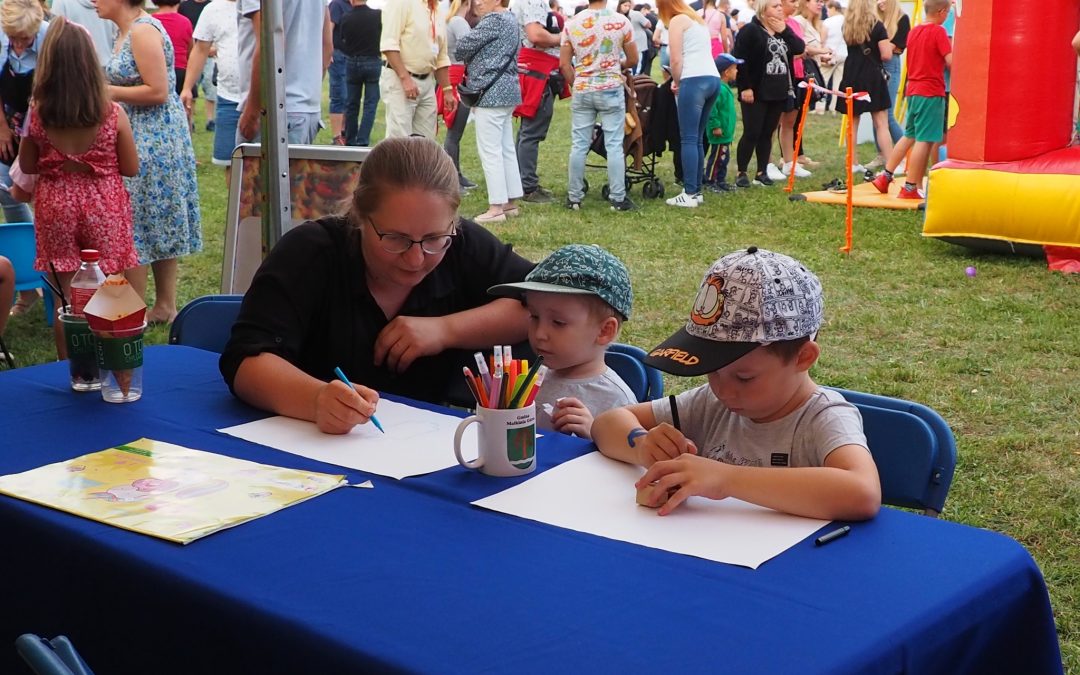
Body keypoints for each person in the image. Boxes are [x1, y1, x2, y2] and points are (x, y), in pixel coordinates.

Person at [220, 136, 534, 433]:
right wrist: (315, 399)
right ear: (359, 213)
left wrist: (445, 330)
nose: (415, 259)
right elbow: (245, 363)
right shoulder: (310, 253)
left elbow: (542, 304)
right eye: (395, 239)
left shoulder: (463, 246)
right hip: (308, 448)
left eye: (434, 239)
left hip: (422, 449)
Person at [592, 246, 881, 521]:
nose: (723, 389)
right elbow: (606, 423)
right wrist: (642, 445)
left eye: (745, 377)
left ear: (803, 358)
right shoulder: (710, 403)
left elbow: (862, 492)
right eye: (713, 370)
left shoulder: (823, 417)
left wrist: (725, 478)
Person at [18, 18, 140, 357]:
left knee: (66, 296)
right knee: (111, 289)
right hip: (104, 203)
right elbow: (130, 167)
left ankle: (70, 369)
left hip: (56, 203)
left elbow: (27, 165)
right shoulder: (112, 113)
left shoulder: (39, 113)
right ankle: (113, 364)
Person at [101, 0, 202, 325]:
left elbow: (158, 90)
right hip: (142, 134)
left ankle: (139, 309)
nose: (93, 1)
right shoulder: (126, 30)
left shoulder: (143, 31)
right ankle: (162, 306)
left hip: (152, 138)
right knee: (149, 220)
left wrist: (107, 91)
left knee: (138, 221)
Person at [488, 244, 636, 439]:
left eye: (558, 322)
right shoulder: (531, 380)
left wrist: (595, 435)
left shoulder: (617, 400)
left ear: (604, 331)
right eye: (534, 316)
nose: (540, 333)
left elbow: (633, 462)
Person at [560, 0, 638, 211]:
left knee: (579, 144)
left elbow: (564, 64)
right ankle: (618, 198)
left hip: (583, 88)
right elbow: (633, 58)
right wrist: (617, 65)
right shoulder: (621, 22)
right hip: (611, 87)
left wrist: (575, 82)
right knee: (614, 144)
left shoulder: (572, 23)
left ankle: (574, 197)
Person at [869, 0, 951, 201]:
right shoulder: (938, 32)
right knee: (925, 140)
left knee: (909, 135)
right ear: (942, 12)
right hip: (930, 92)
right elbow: (950, 61)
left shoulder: (914, 31)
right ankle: (910, 186)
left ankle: (885, 177)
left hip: (913, 89)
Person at [455, 0, 523, 224]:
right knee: (505, 149)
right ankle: (510, 202)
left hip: (490, 92)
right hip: (508, 90)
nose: (478, 2)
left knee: (490, 151)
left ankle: (496, 208)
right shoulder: (511, 19)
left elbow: (462, 47)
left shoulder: (493, 20)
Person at [0, 0, 48, 316]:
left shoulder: (51, 36)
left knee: (46, 205)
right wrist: (2, 128)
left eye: (24, 39)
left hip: (44, 127)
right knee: (9, 197)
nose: (18, 45)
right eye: (12, 38)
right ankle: (26, 288)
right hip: (10, 127)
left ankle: (52, 283)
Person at [236, 0, 331, 145]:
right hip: (307, 111)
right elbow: (327, 46)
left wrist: (253, 112)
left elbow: (270, 43)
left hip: (273, 110)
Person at [730, 0, 802, 188]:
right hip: (755, 90)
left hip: (778, 90)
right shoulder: (750, 31)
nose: (780, 8)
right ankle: (742, 172)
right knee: (752, 132)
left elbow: (799, 48)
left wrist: (785, 30)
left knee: (767, 132)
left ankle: (762, 171)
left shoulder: (782, 31)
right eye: (774, 6)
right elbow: (740, 60)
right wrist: (745, 87)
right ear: (763, 10)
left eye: (780, 5)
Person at [660, 0, 721, 208]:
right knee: (697, 138)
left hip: (693, 80)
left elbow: (675, 60)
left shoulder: (677, 21)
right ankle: (696, 190)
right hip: (712, 78)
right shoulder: (697, 20)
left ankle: (689, 192)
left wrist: (676, 82)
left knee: (688, 138)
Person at [379, 0, 456, 139]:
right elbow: (389, 45)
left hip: (427, 81)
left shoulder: (437, 10)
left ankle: (421, 162)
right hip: (400, 79)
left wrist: (447, 89)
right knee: (400, 140)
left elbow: (441, 56)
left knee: (426, 142)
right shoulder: (401, 3)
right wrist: (405, 79)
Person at [180, 0, 239, 181]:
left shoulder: (265, 7)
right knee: (232, 163)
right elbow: (200, 49)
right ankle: (238, 208)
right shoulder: (213, 9)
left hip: (265, 98)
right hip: (228, 97)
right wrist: (187, 88)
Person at [515, 0, 563, 204]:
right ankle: (527, 186)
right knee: (531, 132)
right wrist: (561, 37)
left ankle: (522, 182)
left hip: (535, 69)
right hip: (537, 71)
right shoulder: (532, 1)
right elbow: (536, 35)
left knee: (528, 131)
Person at [837, 0, 893, 172]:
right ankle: (891, 163)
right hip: (872, 76)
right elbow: (886, 55)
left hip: (851, 73)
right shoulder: (877, 26)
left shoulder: (847, 25)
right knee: (881, 122)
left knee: (852, 122)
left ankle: (852, 163)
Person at [767, 0, 809, 181]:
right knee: (771, 123)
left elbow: (800, 46)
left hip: (796, 75)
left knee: (790, 120)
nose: (797, 4)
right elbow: (789, 50)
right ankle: (767, 163)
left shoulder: (794, 23)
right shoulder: (770, 23)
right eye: (792, 1)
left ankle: (789, 162)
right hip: (778, 76)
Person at [339, 0, 382, 147]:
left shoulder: (346, 17)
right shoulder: (377, 16)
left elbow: (341, 41)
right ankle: (362, 140)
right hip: (372, 61)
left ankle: (350, 140)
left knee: (352, 104)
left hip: (352, 61)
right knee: (370, 104)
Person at [442, 0, 474, 190]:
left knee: (454, 132)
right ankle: (453, 178)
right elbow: (469, 49)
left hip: (452, 77)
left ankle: (457, 174)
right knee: (454, 133)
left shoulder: (448, 21)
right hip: (459, 79)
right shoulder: (459, 22)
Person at [872, 0, 909, 159]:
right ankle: (881, 154)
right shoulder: (876, 20)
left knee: (886, 113)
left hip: (890, 65)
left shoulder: (902, 19)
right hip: (876, 65)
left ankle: (905, 155)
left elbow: (892, 49)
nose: (880, 2)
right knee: (876, 111)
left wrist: (880, 47)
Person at [703, 53, 739, 191]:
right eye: (735, 68)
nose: (737, 71)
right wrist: (715, 126)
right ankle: (711, 181)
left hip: (725, 134)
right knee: (717, 158)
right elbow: (712, 110)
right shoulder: (718, 89)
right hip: (719, 133)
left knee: (723, 158)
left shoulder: (724, 87)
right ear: (726, 72)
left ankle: (720, 180)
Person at [178, 0, 215, 129]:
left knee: (210, 87)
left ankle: (210, 120)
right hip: (191, 52)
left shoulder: (211, 6)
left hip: (211, 53)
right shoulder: (184, 6)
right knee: (192, 87)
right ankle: (191, 120)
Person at [149, 0, 193, 100]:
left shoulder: (150, 21)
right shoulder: (185, 22)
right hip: (180, 69)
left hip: (157, 71)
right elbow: (191, 49)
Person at [51, 0, 118, 64]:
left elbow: (55, 38)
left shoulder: (60, 2)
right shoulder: (111, 3)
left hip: (75, 68)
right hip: (108, 64)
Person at [327, 0, 353, 144]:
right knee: (339, 95)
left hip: (351, 57)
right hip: (338, 55)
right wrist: (328, 52)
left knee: (349, 97)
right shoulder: (337, 4)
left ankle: (345, 132)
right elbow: (329, 27)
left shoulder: (353, 6)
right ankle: (337, 136)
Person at [818, 0, 846, 113]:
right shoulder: (846, 20)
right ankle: (834, 107)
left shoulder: (828, 21)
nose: (827, 12)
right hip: (844, 54)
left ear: (834, 8)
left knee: (822, 80)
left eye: (828, 9)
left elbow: (822, 39)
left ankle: (820, 107)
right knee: (838, 82)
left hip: (829, 54)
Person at [619, 0, 652, 75]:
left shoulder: (615, 14)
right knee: (636, 70)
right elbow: (648, 24)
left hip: (622, 46)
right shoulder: (636, 14)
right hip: (637, 45)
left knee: (625, 69)